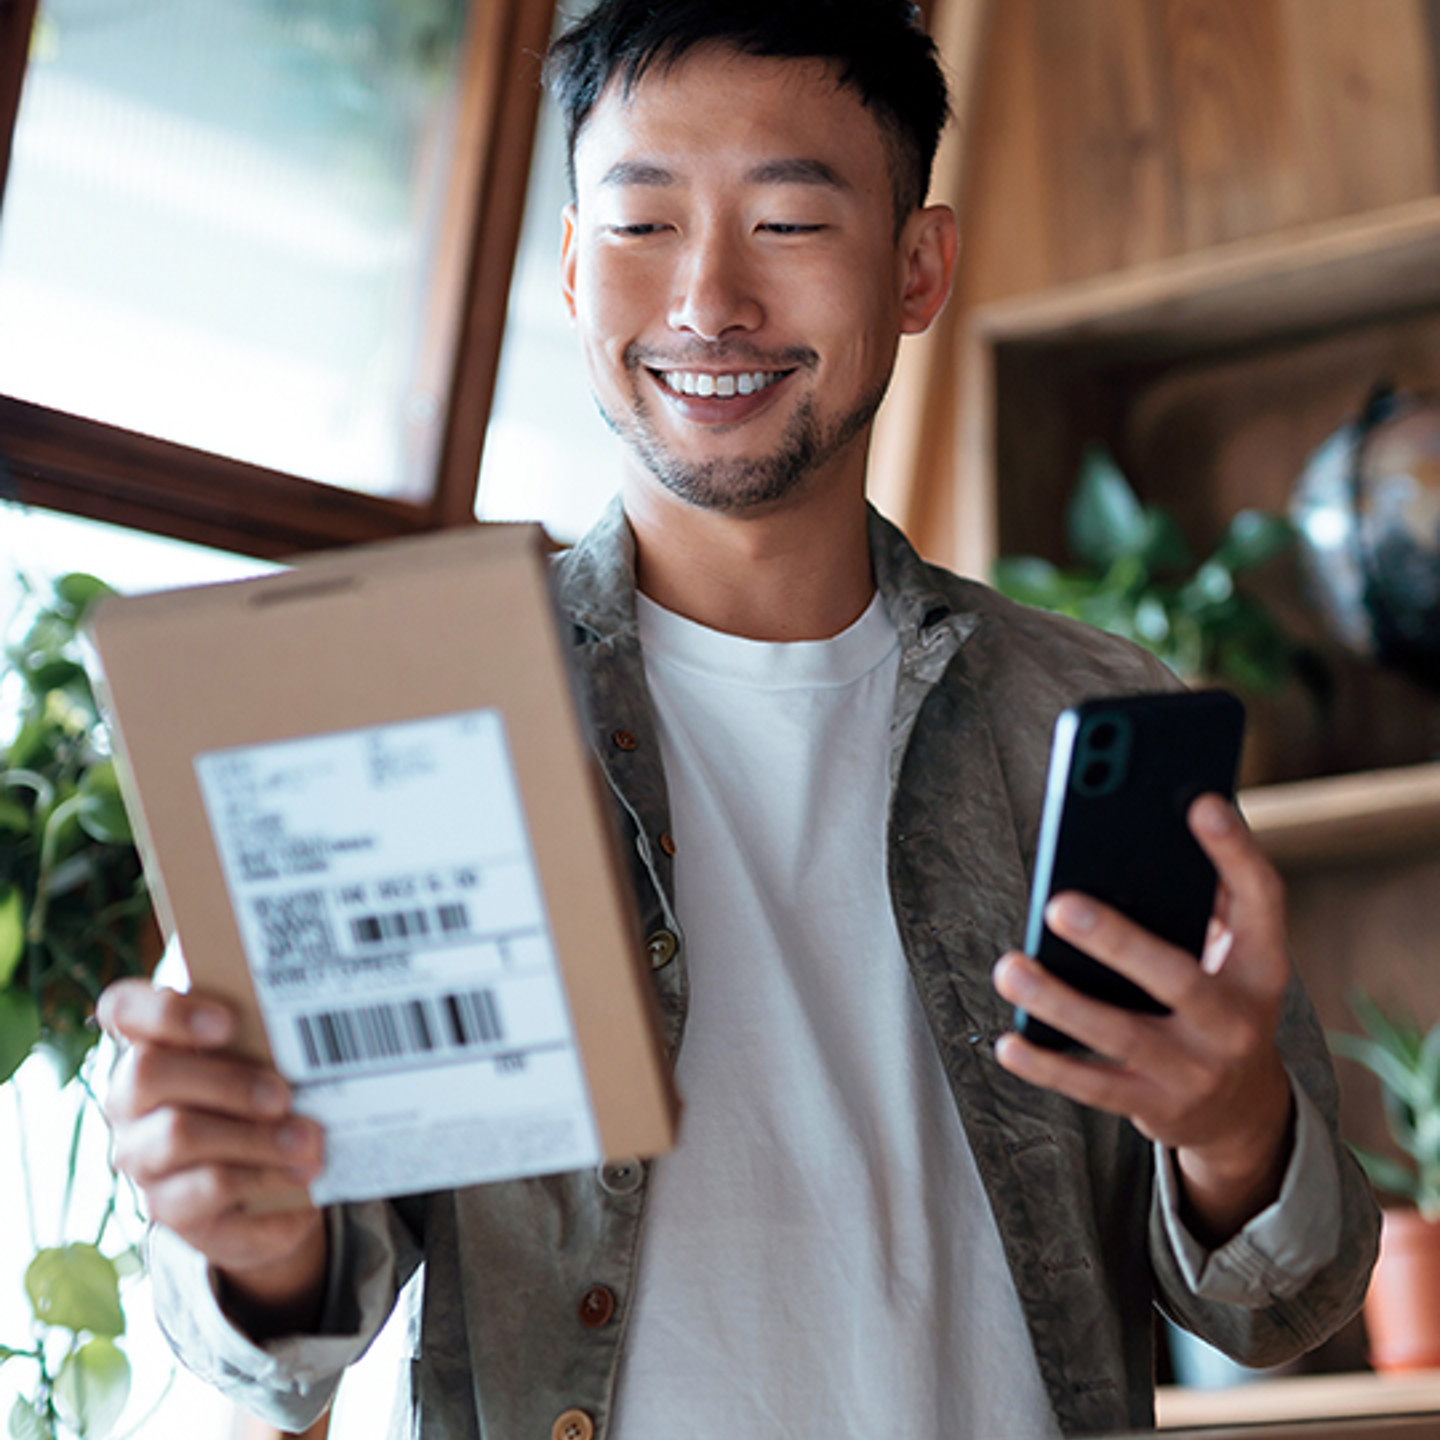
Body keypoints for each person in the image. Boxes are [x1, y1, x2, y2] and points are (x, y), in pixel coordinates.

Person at [98, 2, 1379, 1437]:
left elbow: (1287, 1301)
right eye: (642, 227)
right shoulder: (406, 716)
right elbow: (283, 1340)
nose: (708, 299)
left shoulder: (1087, 713)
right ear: (574, 267)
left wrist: (1229, 1127)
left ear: (917, 266)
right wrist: (257, 1233)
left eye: (786, 223)